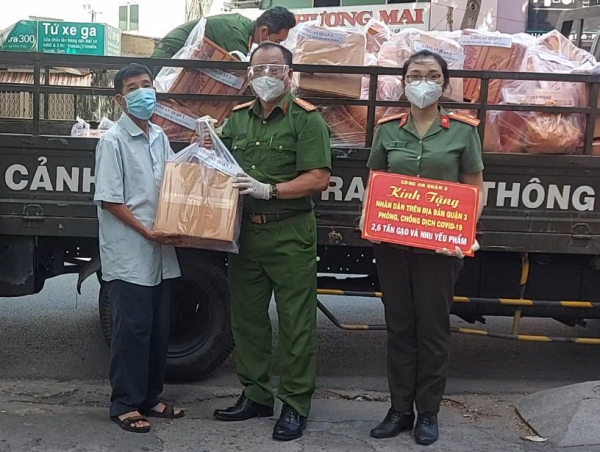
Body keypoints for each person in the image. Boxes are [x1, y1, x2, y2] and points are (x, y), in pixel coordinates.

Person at [362, 50, 485, 446]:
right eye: (415, 75)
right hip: (393, 246)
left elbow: (474, 187)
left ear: (444, 84)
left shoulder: (463, 131)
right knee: (400, 328)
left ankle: (428, 413)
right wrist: (369, 221)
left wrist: (466, 232)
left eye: (432, 75)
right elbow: (376, 183)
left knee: (432, 330)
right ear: (403, 81)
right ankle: (399, 409)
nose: (423, 82)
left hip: (440, 250)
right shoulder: (387, 129)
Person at [210, 42, 331, 441]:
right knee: (247, 321)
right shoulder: (238, 119)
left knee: (296, 324)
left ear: (289, 74)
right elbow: (219, 163)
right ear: (248, 75)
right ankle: (256, 395)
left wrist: (271, 190)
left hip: (290, 231)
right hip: (245, 233)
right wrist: (207, 139)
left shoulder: (306, 120)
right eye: (258, 69)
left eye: (274, 69)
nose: (265, 76)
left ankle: (295, 405)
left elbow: (318, 178)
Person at [94, 63, 185, 434]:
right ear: (120, 98)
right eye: (134, 88)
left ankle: (149, 396)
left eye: (147, 85)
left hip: (158, 251)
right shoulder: (112, 141)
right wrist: (147, 232)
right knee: (131, 331)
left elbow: (174, 180)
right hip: (131, 251)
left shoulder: (159, 136)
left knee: (157, 329)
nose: (143, 92)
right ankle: (125, 404)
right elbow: (111, 200)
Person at [151, 7, 297, 60]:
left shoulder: (244, 28)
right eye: (277, 41)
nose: (276, 46)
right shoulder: (236, 36)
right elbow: (238, 74)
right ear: (264, 31)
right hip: (168, 57)